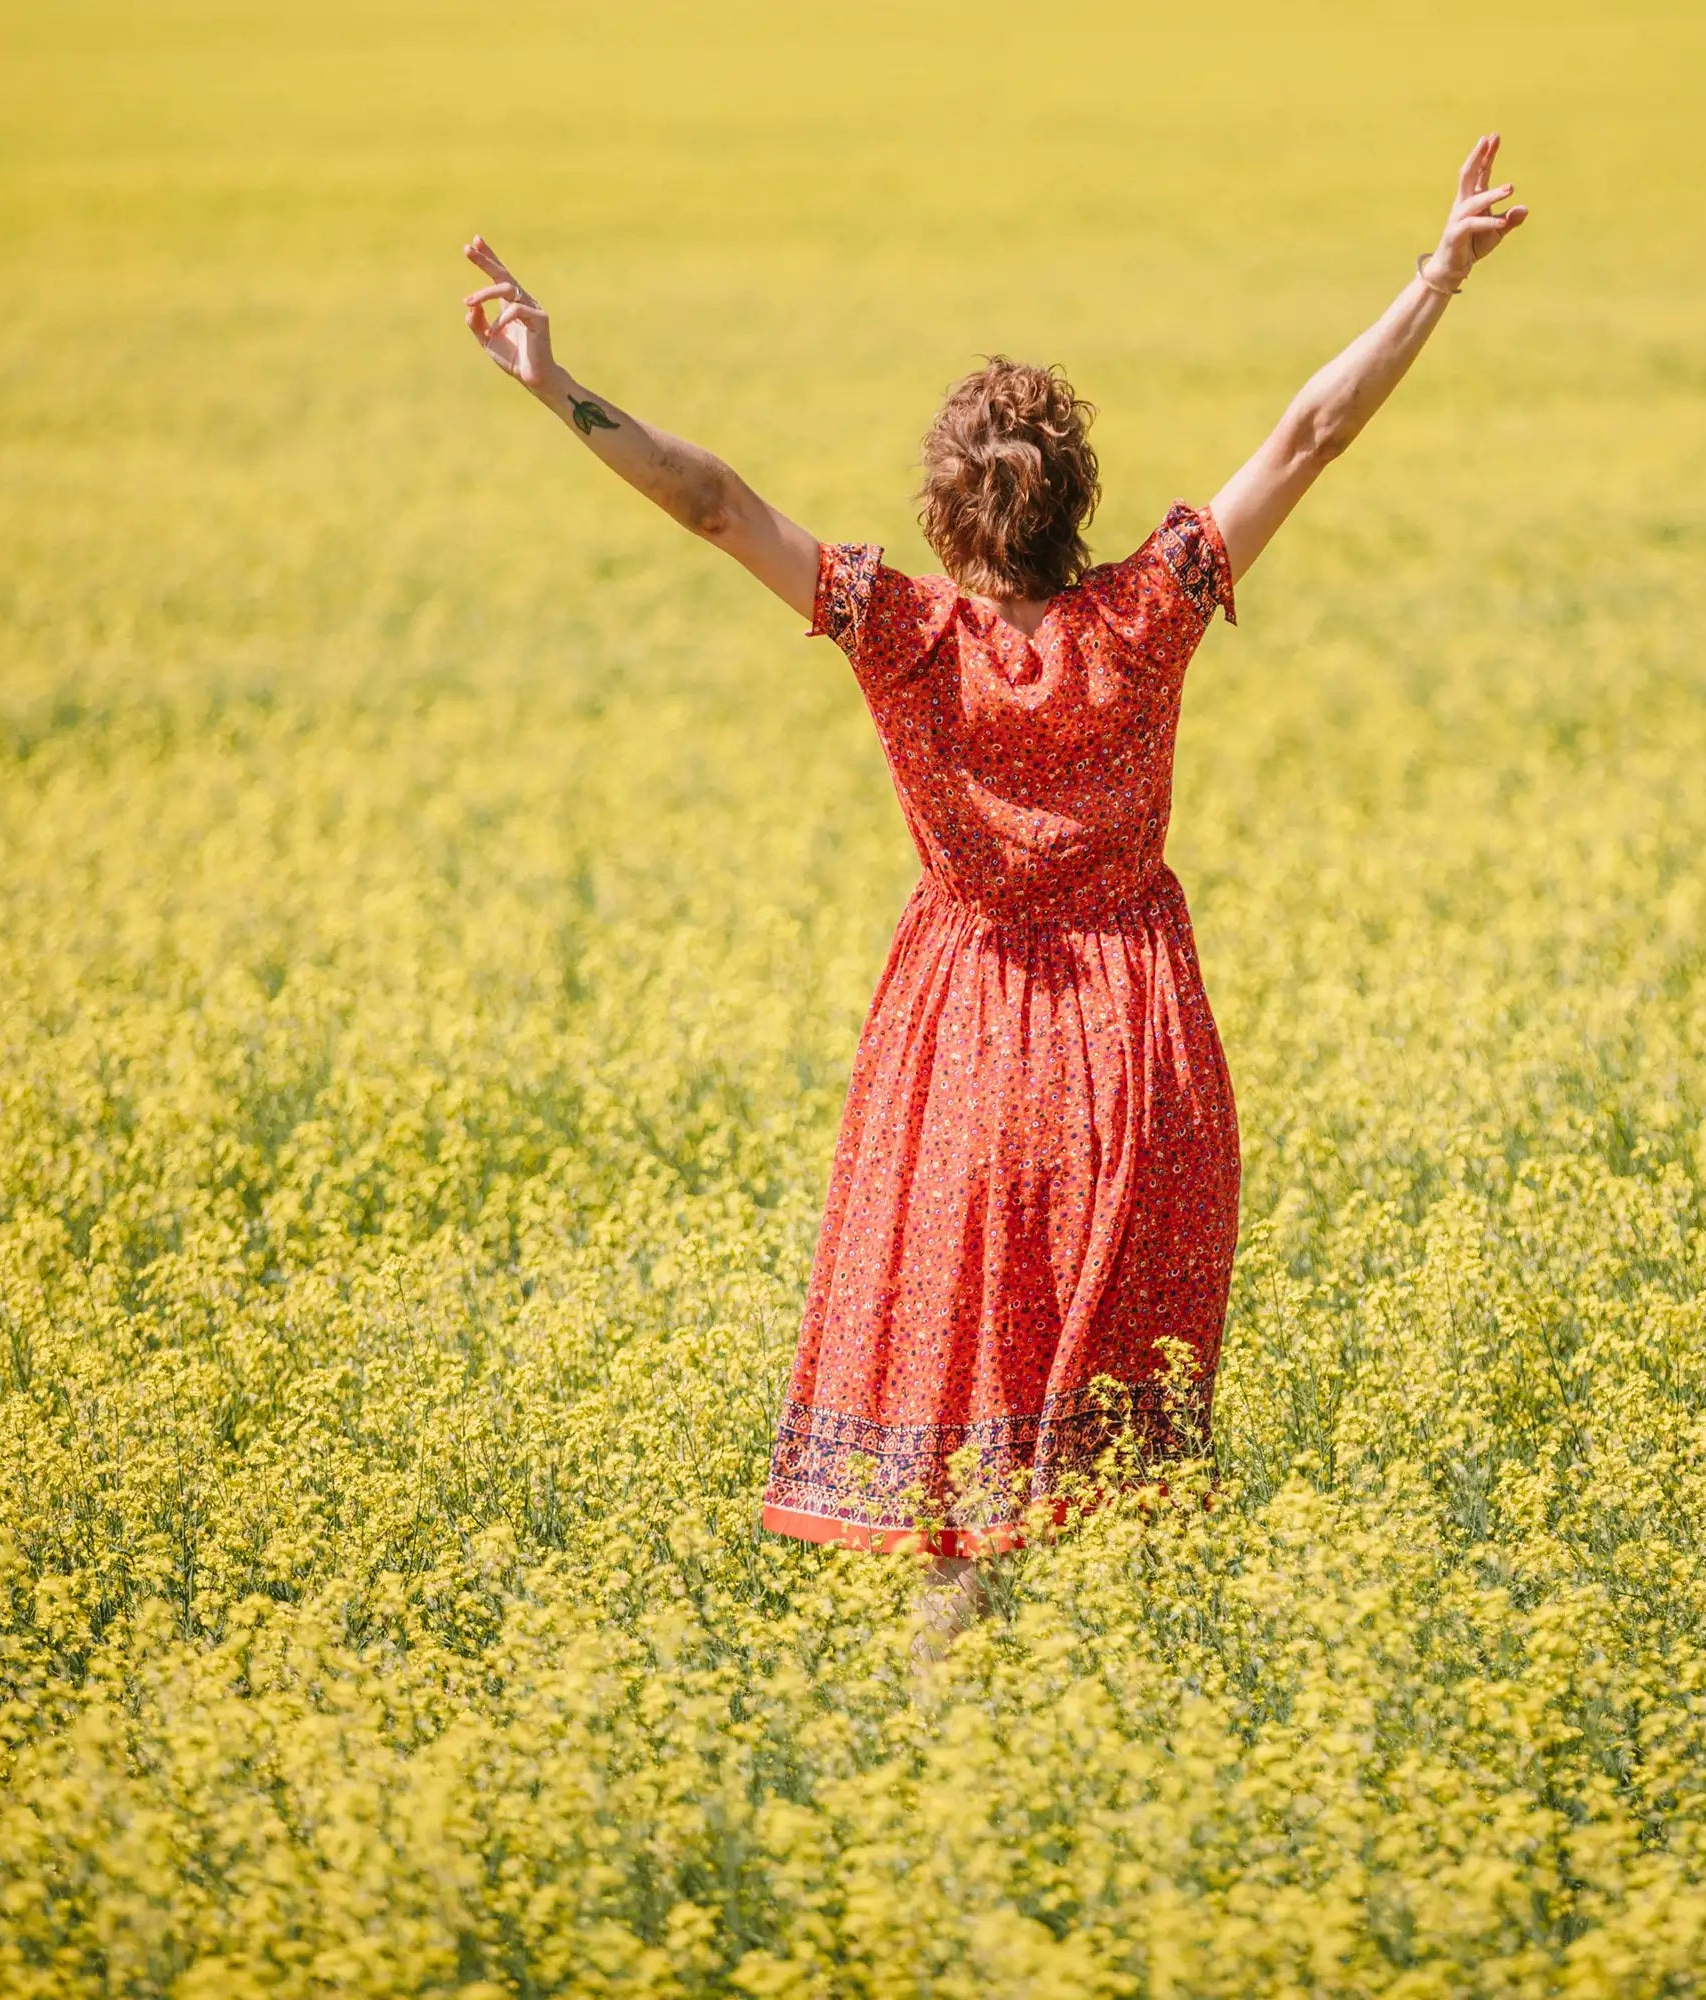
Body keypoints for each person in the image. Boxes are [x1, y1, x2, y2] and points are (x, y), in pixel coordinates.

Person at [463, 137, 1529, 1652]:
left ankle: (950, 1739)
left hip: (964, 1048)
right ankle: (1152, 1741)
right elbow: (1309, 434)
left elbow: (713, 505)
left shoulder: (899, 631)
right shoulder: (1147, 617)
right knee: (1139, 1476)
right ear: (1077, 499)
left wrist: (554, 387)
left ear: (949, 515)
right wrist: (1437, 273)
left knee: (957, 1482)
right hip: (1136, 1050)